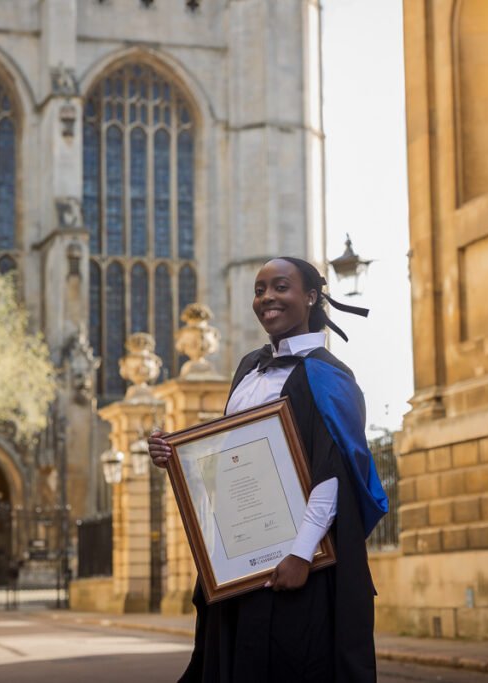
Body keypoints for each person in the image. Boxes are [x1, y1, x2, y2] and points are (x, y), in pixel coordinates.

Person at [148, 257, 388, 682]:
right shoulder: (247, 369)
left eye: (281, 287)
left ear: (311, 297)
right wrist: (177, 456)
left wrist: (300, 553)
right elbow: (229, 458)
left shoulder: (330, 377)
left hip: (301, 569)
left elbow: (331, 474)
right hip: (239, 566)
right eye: (260, 290)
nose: (267, 299)